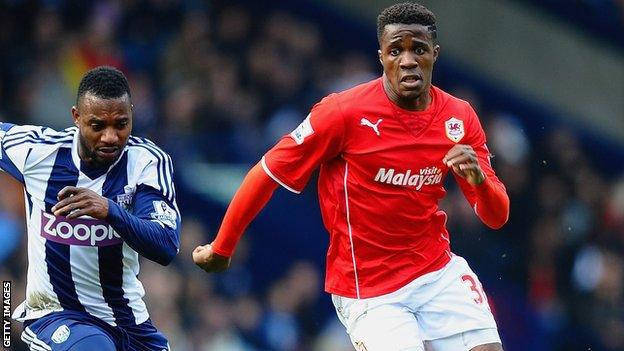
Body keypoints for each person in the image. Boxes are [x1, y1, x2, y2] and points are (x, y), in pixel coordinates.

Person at [193, 2, 509, 351]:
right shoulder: (343, 112)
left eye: (418, 49)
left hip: (436, 270)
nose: (407, 60)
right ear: (381, 56)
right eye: (395, 50)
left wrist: (478, 180)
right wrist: (222, 247)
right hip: (369, 288)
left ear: (434, 54)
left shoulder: (458, 117)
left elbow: (496, 217)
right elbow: (266, 174)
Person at [1, 66, 181, 350]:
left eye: (121, 124)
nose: (110, 137)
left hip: (127, 322)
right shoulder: (38, 152)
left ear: (132, 114)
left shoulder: (146, 162)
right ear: (76, 117)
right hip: (56, 315)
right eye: (98, 126)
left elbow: (166, 245)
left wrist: (110, 211)